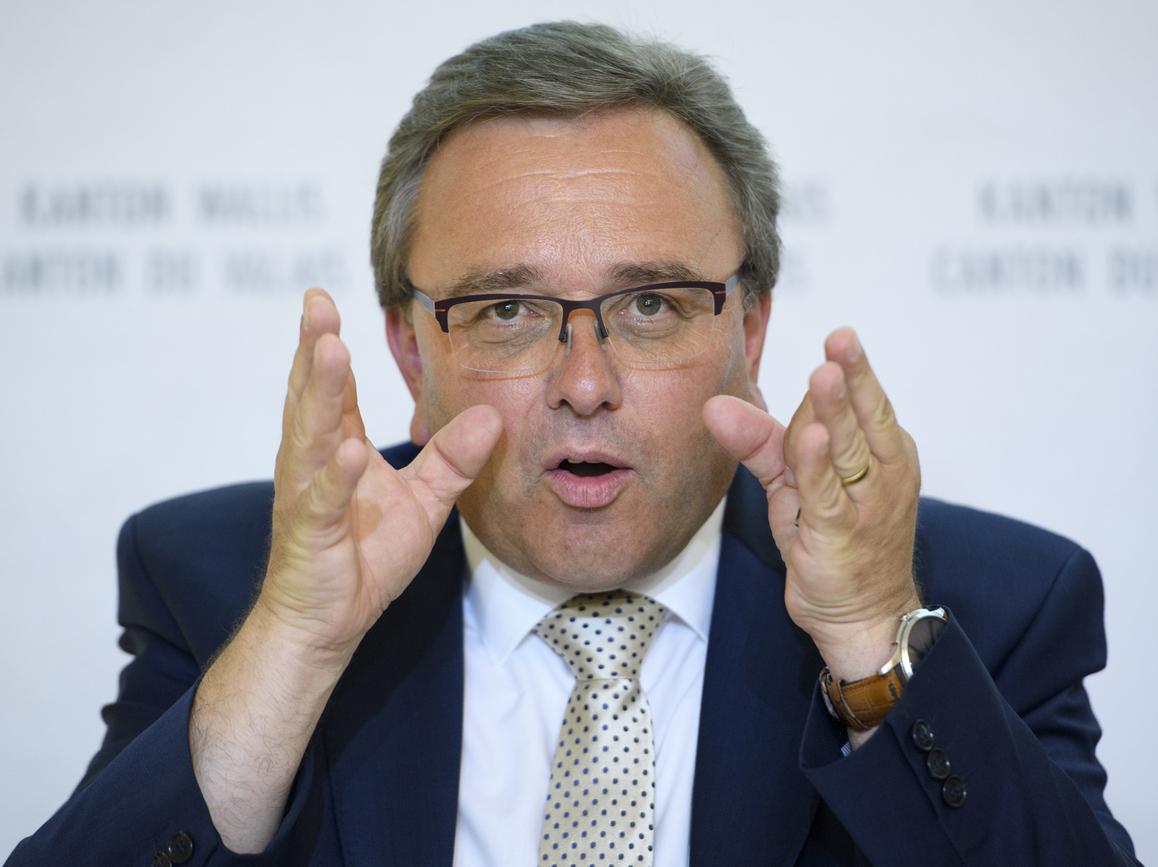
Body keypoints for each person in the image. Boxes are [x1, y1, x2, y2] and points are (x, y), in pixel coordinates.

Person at [9, 21, 1139, 867]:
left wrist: (869, 646)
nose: (586, 384)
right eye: (506, 309)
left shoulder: (982, 608)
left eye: (651, 304)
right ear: (409, 350)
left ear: (750, 330)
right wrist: (296, 647)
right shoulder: (222, 586)